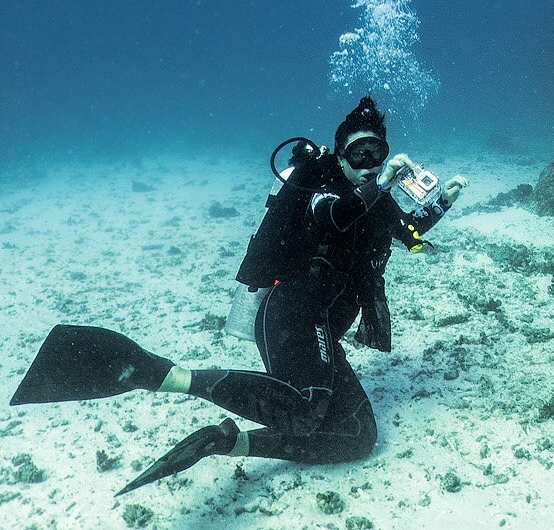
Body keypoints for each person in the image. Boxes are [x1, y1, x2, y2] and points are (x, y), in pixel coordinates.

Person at [10, 96, 468, 493]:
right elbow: (333, 216)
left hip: (321, 328)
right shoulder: (321, 184)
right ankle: (165, 375)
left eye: (377, 152)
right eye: (359, 152)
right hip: (289, 316)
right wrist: (380, 184)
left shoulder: (374, 198)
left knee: (358, 436)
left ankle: (228, 442)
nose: (369, 162)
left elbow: (407, 231)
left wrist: (442, 201)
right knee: (307, 411)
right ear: (341, 156)